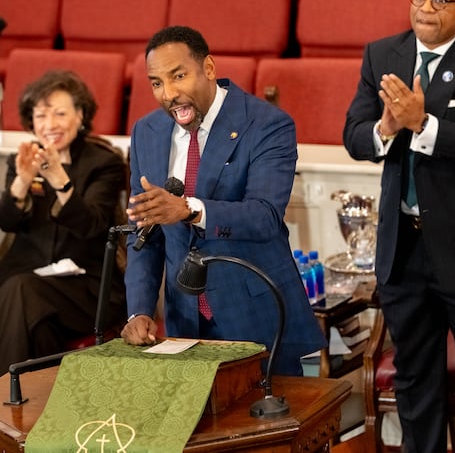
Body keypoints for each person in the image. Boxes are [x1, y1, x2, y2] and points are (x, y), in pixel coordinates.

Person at [344, 0, 455, 452]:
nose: (424, 9)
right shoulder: (381, 54)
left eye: (438, 0)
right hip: (402, 252)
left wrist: (423, 124)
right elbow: (353, 136)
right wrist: (386, 129)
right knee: (415, 385)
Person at [121, 25, 326, 376]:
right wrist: (139, 310)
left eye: (179, 76)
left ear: (209, 69)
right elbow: (144, 234)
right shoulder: (146, 132)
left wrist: (188, 210)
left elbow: (264, 216)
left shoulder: (266, 125)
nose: (169, 93)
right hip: (186, 325)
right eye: (156, 83)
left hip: (258, 319)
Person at [0, 70, 126, 375]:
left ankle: (2, 405)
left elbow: (93, 224)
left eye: (59, 113)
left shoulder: (105, 162)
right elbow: (7, 221)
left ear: (80, 115)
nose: (49, 124)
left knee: (20, 290)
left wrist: (59, 178)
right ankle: (32, 408)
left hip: (86, 287)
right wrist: (22, 183)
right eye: (41, 115)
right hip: (29, 282)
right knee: (39, 329)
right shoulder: (25, 158)